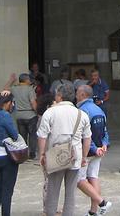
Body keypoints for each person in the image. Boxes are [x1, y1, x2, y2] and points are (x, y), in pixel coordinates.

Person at [36, 82, 92, 216]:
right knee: (70, 193)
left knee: (52, 191)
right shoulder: (81, 114)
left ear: (59, 96)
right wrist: (84, 157)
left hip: (56, 155)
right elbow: (87, 138)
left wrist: (42, 154)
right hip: (75, 155)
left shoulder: (50, 112)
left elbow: (42, 136)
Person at [76, 85, 113, 216]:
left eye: (77, 93)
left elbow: (84, 135)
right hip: (99, 151)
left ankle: (102, 202)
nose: (75, 95)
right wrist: (104, 145)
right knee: (93, 177)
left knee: (79, 180)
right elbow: (105, 131)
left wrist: (93, 149)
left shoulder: (81, 111)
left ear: (82, 95)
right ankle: (93, 212)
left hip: (86, 151)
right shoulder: (99, 110)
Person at [0, 92, 20, 216]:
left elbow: (10, 111)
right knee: (7, 190)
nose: (12, 105)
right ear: (6, 103)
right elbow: (15, 135)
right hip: (7, 156)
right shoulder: (5, 116)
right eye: (11, 103)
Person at [11, 73, 38, 160]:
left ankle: (24, 153)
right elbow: (33, 103)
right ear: (26, 80)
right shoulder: (30, 89)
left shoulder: (15, 89)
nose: (30, 81)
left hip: (19, 115)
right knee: (32, 135)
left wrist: (11, 80)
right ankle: (32, 153)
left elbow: (4, 89)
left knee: (22, 136)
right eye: (29, 79)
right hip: (30, 115)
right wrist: (37, 112)